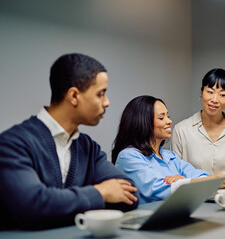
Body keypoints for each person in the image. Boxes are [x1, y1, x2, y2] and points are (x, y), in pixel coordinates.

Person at [0, 53, 138, 230]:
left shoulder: (88, 147)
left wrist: (63, 205)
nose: (107, 102)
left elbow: (130, 194)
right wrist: (100, 192)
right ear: (74, 96)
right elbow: (33, 206)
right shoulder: (12, 143)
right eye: (101, 94)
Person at [112, 95, 225, 204]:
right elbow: (157, 189)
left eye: (168, 116)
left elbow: (201, 177)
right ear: (142, 122)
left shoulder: (170, 156)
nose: (169, 121)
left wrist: (184, 181)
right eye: (161, 118)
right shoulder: (128, 156)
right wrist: (184, 183)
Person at [171, 68, 225, 176]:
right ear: (201, 91)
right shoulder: (181, 130)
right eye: (210, 92)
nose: (214, 99)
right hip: (193, 192)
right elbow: (174, 172)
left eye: (222, 95)